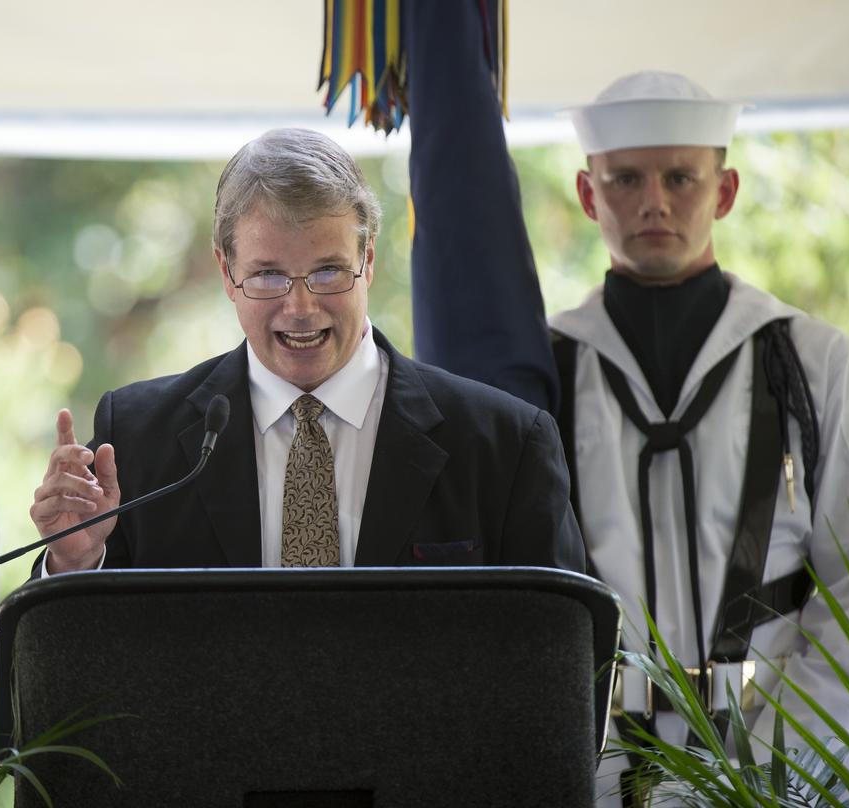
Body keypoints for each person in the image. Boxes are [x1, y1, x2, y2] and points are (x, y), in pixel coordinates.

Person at [30, 127, 583, 575]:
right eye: (268, 276)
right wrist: (76, 561)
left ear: (367, 260)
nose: (300, 307)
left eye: (326, 272)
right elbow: (82, 658)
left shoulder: (505, 444)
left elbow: (557, 664)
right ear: (226, 271)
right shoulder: (135, 438)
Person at [550, 71, 849, 804]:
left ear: (723, 192)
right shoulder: (544, 374)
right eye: (625, 178)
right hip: (592, 775)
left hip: (788, 770)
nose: (654, 201)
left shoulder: (816, 364)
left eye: (680, 178)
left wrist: (780, 762)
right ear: (587, 193)